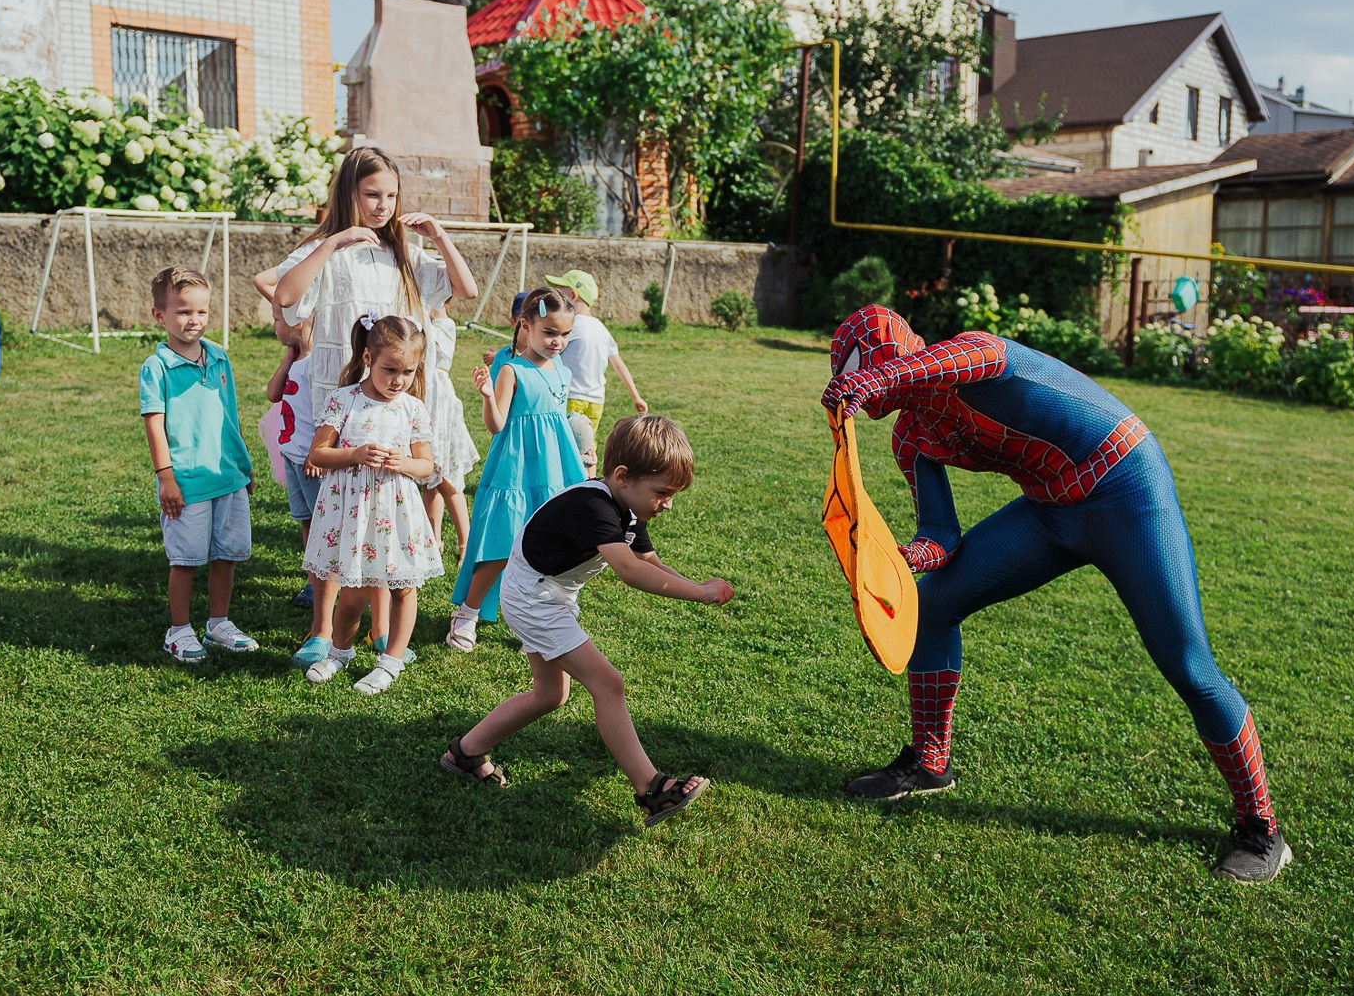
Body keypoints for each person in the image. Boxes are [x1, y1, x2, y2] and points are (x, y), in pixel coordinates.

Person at [821, 305, 1290, 883]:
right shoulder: (912, 438)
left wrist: (878, 377)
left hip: (1124, 484)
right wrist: (896, 561)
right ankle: (929, 762)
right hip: (1050, 507)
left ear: (896, 353)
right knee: (935, 603)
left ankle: (1261, 825)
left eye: (867, 364)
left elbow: (976, 356)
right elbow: (940, 536)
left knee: (1188, 665)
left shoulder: (968, 354)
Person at [439, 414, 733, 828]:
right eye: (663, 492)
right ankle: (652, 790)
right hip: (534, 599)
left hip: (545, 594)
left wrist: (696, 585)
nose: (668, 503)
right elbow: (630, 571)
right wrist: (698, 592)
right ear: (623, 476)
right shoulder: (592, 504)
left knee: (550, 696)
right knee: (608, 682)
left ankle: (465, 752)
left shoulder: (629, 509)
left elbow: (650, 561)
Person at [265, 146, 479, 669]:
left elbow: (466, 290)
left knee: (383, 516)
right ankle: (321, 629)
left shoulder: (405, 255)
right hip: (337, 403)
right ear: (349, 195)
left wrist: (439, 236)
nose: (382, 205)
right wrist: (333, 239)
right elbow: (285, 293)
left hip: (394, 409)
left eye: (390, 195)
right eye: (370, 195)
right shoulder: (328, 250)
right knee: (329, 519)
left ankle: (380, 629)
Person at [300, 315, 443, 693]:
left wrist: (405, 464)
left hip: (396, 511)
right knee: (352, 595)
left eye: (408, 371)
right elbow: (318, 454)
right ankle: (339, 651)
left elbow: (426, 464)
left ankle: (390, 662)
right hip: (352, 511)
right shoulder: (343, 400)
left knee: (402, 588)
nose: (398, 380)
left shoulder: (412, 409)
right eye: (390, 369)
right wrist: (355, 454)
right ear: (367, 357)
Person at [446, 286, 586, 650]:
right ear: (526, 326)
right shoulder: (510, 369)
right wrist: (489, 397)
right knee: (503, 542)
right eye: (550, 332)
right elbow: (496, 425)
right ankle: (467, 612)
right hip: (515, 468)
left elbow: (557, 421)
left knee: (551, 544)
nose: (557, 342)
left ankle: (543, 616)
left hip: (553, 470)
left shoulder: (562, 372)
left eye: (565, 334)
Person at [138, 265, 257, 664]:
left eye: (202, 312)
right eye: (184, 312)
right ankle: (179, 630)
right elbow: (154, 425)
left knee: (227, 555)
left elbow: (230, 415)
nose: (195, 320)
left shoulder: (220, 358)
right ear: (160, 316)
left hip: (227, 476)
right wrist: (165, 477)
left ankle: (218, 623)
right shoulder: (156, 369)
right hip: (185, 482)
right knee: (186, 559)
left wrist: (244, 463)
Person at [545, 268, 647, 473]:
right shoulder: (602, 329)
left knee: (562, 442)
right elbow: (619, 364)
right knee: (588, 444)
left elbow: (549, 352)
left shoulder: (571, 325)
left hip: (570, 396)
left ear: (572, 296)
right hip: (596, 401)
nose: (554, 296)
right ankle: (589, 482)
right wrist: (636, 396)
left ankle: (560, 483)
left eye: (559, 293)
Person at [263, 313, 321, 612]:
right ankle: (313, 579)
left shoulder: (318, 364)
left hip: (310, 460)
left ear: (296, 322)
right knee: (307, 520)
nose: (274, 327)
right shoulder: (297, 360)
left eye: (277, 320)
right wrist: (288, 357)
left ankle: (324, 581)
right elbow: (273, 394)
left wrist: (317, 451)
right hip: (290, 455)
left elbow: (326, 414)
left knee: (322, 521)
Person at [421, 302, 479, 560]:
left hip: (439, 402)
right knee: (428, 479)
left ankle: (466, 544)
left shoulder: (443, 324)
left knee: (445, 478)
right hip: (423, 397)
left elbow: (427, 351)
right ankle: (432, 541)